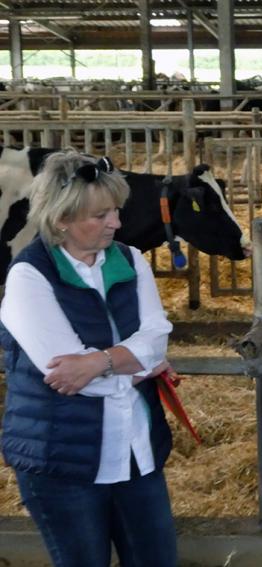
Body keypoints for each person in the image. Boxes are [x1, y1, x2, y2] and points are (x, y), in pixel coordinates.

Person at [0, 151, 177, 566]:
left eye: (115, 210)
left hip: (136, 450)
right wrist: (136, 366)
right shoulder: (28, 277)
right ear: (61, 218)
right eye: (100, 215)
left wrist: (99, 362)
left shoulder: (132, 260)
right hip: (63, 458)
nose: (115, 223)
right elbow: (67, 374)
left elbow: (158, 339)